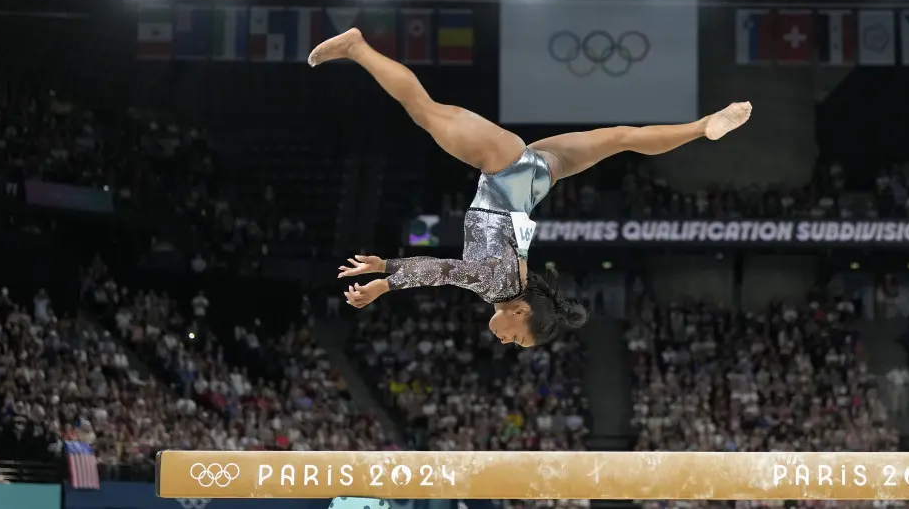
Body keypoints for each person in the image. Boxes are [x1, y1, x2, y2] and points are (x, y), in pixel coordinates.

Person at [310, 28, 752, 347]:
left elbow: (462, 262)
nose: (505, 343)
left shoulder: (514, 280)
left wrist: (385, 267)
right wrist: (385, 280)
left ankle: (701, 127)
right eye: (517, 341)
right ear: (521, 313)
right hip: (504, 168)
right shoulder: (499, 287)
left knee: (621, 138)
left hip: (538, 176)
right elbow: (443, 271)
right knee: (423, 109)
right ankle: (357, 47)